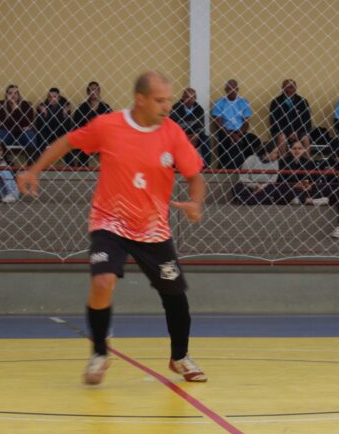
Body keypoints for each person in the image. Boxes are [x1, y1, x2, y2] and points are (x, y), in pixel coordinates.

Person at [17, 72, 208, 385]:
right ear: (140, 99)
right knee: (103, 281)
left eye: (169, 100)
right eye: (160, 100)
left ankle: (180, 357)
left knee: (174, 294)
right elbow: (68, 141)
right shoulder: (108, 126)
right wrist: (34, 170)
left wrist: (195, 203)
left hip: (152, 228)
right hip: (110, 221)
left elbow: (195, 176)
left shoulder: (173, 134)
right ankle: (99, 353)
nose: (166, 106)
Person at [212, 79, 256, 169]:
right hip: (225, 131)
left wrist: (239, 134)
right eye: (229, 89)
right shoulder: (219, 103)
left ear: (237, 89)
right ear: (225, 90)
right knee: (226, 140)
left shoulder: (244, 102)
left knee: (254, 140)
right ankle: (227, 167)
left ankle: (244, 165)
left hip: (240, 131)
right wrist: (232, 135)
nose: (231, 91)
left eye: (234, 88)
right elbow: (218, 123)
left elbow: (246, 122)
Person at [68, 81, 113, 167]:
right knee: (83, 149)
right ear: (88, 92)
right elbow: (77, 124)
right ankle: (82, 172)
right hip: (87, 137)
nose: (93, 92)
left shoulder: (105, 107)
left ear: (99, 92)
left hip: (102, 137)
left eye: (95, 90)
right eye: (91, 90)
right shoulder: (82, 107)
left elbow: (110, 123)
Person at [269, 79, 312, 155]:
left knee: (305, 138)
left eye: (291, 87)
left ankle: (307, 162)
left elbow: (307, 121)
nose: (289, 89)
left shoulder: (303, 101)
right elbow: (274, 122)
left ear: (295, 88)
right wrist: (289, 133)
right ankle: (284, 162)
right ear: (283, 88)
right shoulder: (276, 102)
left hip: (299, 131)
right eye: (287, 87)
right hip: (281, 132)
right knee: (282, 137)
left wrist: (296, 132)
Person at [169, 87, 211, 165]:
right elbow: (172, 127)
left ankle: (206, 166)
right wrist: (183, 136)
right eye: (187, 97)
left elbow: (201, 127)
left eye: (192, 98)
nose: (190, 100)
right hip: (179, 136)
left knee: (205, 139)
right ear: (183, 98)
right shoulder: (175, 108)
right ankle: (173, 165)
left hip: (194, 136)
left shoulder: (199, 110)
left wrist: (196, 135)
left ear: (195, 99)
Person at [0, 84, 37, 158]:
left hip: (22, 136)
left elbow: (28, 123)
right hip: (7, 134)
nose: (13, 95)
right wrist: (20, 127)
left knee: (30, 135)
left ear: (19, 95)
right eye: (10, 93)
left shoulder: (26, 104)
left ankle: (31, 164)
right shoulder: (0, 105)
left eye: (15, 93)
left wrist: (17, 111)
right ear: (6, 95)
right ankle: (3, 162)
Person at [34, 87, 73, 160]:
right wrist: (45, 115)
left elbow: (67, 127)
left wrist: (64, 115)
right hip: (46, 134)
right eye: (50, 97)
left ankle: (70, 166)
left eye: (54, 97)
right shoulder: (42, 107)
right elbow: (39, 126)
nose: (52, 99)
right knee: (41, 136)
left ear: (59, 98)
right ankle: (39, 164)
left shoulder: (65, 107)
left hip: (60, 134)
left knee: (67, 138)